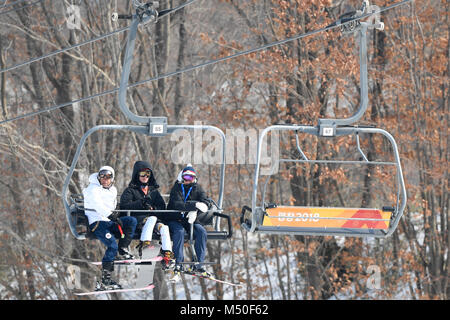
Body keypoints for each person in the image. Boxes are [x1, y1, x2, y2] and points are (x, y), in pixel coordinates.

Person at [82, 166, 137, 290]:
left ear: (112, 178)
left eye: (108, 177)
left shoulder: (113, 190)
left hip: (109, 221)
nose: (105, 179)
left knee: (130, 221)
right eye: (103, 176)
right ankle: (105, 279)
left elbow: (111, 207)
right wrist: (112, 216)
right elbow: (98, 205)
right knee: (112, 245)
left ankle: (122, 249)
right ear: (99, 177)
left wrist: (115, 216)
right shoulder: (93, 189)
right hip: (97, 223)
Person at [119, 161, 175, 269]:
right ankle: (144, 245)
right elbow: (125, 206)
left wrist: (153, 209)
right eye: (142, 174)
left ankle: (167, 254)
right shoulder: (130, 191)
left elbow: (161, 206)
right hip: (138, 219)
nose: (145, 177)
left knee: (164, 227)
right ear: (137, 175)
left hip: (152, 221)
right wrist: (141, 204)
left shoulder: (153, 191)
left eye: (147, 175)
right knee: (152, 218)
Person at [167, 164, 210, 281]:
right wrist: (194, 206)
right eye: (185, 177)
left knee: (201, 232)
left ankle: (198, 264)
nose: (187, 180)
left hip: (190, 220)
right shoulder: (177, 188)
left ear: (194, 178)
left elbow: (206, 201)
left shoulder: (198, 188)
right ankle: (178, 263)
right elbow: (177, 204)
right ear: (182, 177)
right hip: (175, 219)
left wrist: (201, 208)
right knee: (179, 232)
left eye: (190, 178)